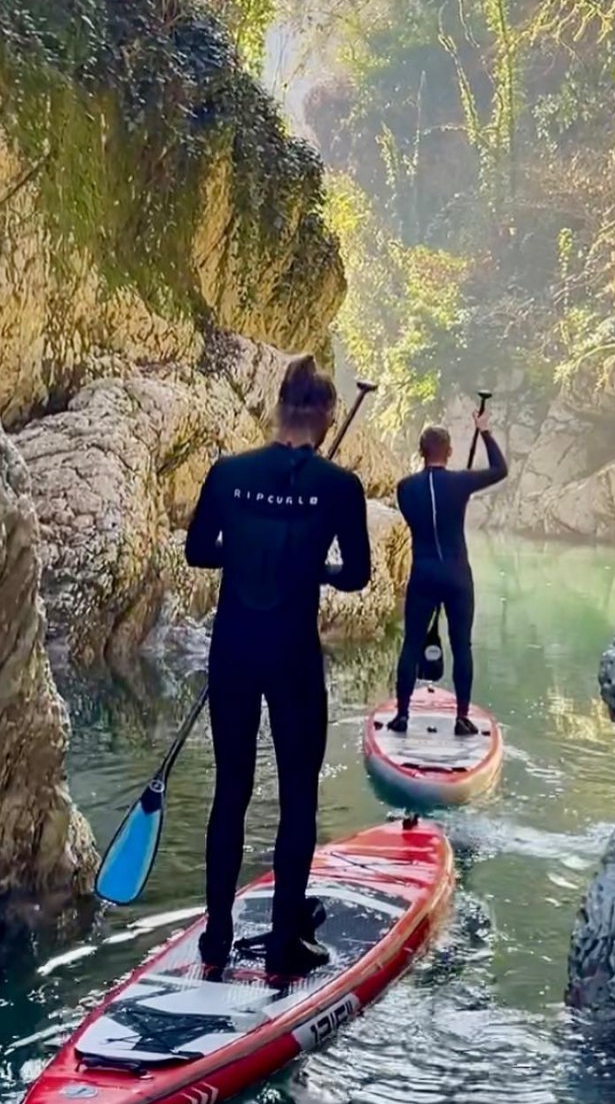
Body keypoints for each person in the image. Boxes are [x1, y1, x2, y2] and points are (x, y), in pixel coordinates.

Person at [184, 355, 371, 978]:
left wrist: (244, 553)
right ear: (324, 416)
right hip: (293, 654)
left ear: (279, 409)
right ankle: (284, 941)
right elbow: (359, 575)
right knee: (297, 799)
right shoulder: (340, 487)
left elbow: (196, 551)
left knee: (229, 793)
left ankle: (215, 938)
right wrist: (313, 567)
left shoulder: (228, 472)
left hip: (233, 647)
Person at [391, 410, 508, 737]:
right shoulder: (461, 482)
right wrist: (484, 431)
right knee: (461, 647)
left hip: (424, 575)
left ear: (420, 451)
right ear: (451, 451)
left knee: (411, 645)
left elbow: (423, 513)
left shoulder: (404, 488)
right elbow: (501, 469)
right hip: (457, 577)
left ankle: (402, 716)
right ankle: (461, 718)